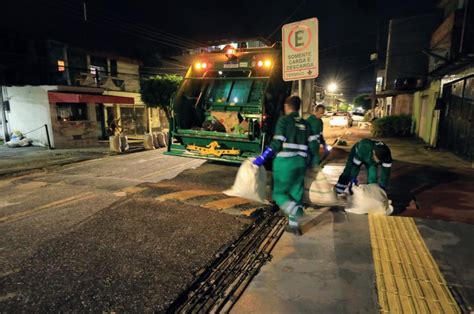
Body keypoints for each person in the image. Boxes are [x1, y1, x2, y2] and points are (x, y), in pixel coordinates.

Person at [253, 96, 319, 235]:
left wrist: (263, 157)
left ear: (287, 106)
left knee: (278, 194)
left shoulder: (284, 121)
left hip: (285, 163)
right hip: (301, 163)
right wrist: (314, 163)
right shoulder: (306, 124)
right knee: (296, 194)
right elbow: (314, 146)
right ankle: (294, 227)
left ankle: (297, 211)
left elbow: (277, 142)